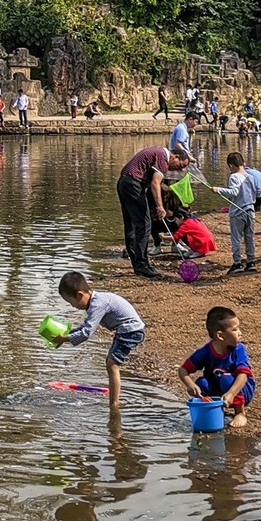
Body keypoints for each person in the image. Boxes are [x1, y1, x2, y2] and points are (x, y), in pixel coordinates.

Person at [50, 271, 144, 411]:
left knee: (112, 365)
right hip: (127, 330)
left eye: (71, 302)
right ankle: (114, 399)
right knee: (111, 363)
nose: (73, 306)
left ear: (80, 295)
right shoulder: (96, 301)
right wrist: (70, 332)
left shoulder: (97, 305)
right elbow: (86, 325)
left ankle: (114, 404)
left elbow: (87, 332)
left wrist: (64, 339)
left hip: (130, 330)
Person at [179, 306, 255, 429]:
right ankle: (214, 409)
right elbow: (183, 370)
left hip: (240, 389)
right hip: (218, 389)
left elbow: (243, 375)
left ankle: (240, 413)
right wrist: (190, 385)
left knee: (226, 379)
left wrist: (231, 394)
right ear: (220, 335)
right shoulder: (205, 351)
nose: (240, 333)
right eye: (235, 329)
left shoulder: (238, 349)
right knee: (201, 383)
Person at [116, 144, 179, 279]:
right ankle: (141, 265)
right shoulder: (163, 159)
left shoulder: (158, 153)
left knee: (132, 225)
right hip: (133, 184)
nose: (177, 169)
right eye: (180, 166)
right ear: (175, 157)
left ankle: (137, 263)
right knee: (144, 225)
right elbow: (155, 184)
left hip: (124, 182)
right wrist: (160, 207)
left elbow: (155, 182)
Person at [216, 150, 258, 274]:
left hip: (238, 212)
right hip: (250, 211)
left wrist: (218, 190)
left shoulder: (234, 176)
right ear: (243, 163)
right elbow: (257, 192)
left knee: (236, 239)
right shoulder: (251, 177)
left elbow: (233, 192)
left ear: (231, 166)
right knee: (250, 238)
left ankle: (237, 263)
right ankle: (251, 262)